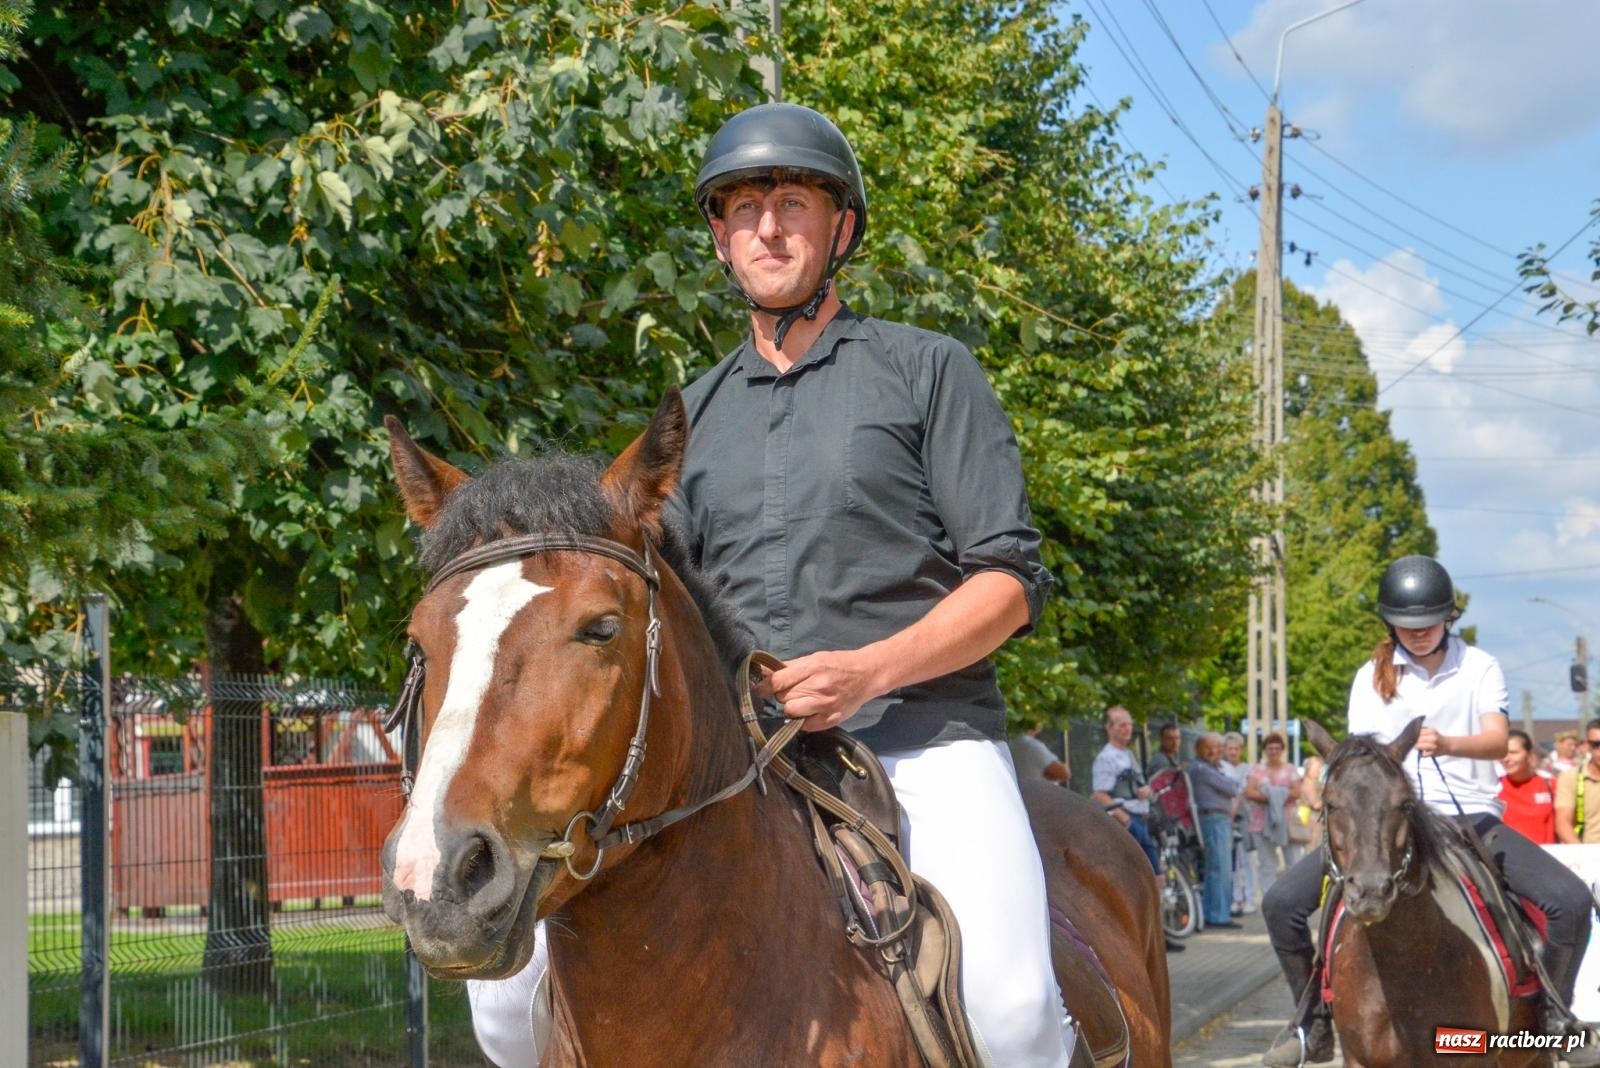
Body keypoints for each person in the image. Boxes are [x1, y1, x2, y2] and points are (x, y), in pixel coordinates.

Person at [1261, 556, 1600, 1066]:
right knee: (1281, 903)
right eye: (1406, 626)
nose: (1417, 634)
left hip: (1469, 818)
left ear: (1448, 618)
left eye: (1428, 624)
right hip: (1388, 819)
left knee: (1570, 901)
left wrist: (1449, 743)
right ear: (1389, 623)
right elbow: (1361, 759)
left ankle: (1555, 1017)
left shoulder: (1480, 666)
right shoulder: (1369, 677)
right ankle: (1312, 1018)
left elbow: (1495, 740)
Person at [1093, 706, 1185, 954]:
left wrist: (1145, 793)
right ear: (1109, 728)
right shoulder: (1107, 757)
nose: (1127, 728)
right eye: (1121, 724)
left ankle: (1156, 936)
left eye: (1129, 723)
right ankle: (1149, 939)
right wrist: (1124, 817)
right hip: (1129, 821)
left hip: (1140, 817)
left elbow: (1132, 787)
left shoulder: (1127, 755)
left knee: (1155, 880)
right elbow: (1099, 793)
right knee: (1149, 879)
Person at [1189, 732, 1241, 929]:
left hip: (1220, 819)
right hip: (1213, 819)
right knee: (1220, 868)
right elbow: (1232, 788)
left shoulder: (1212, 767)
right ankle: (1217, 915)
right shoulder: (1202, 768)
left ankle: (1217, 912)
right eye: (1210, 747)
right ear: (1200, 749)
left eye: (1219, 747)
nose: (1215, 751)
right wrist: (1231, 782)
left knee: (1220, 868)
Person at [1243, 732, 1304, 899]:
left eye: (1277, 748)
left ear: (1282, 750)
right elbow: (1249, 791)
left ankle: (1295, 898)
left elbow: (1297, 791)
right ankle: (1269, 898)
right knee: (1266, 864)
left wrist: (1273, 795)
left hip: (1288, 822)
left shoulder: (1290, 769)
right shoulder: (1257, 770)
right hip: (1261, 823)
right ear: (1265, 750)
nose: (1274, 752)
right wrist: (1274, 796)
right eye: (1270, 748)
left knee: (1294, 862)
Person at [1222, 731, 1257, 916]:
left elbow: (1242, 792)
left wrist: (1232, 812)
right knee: (1232, 863)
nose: (1232, 752)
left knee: (1246, 861)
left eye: (1236, 749)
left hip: (1243, 819)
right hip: (1226, 818)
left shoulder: (1247, 768)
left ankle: (1250, 898)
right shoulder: (1220, 767)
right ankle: (1236, 898)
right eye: (1229, 748)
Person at [1499, 728, 1554, 845]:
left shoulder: (1550, 785)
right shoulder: (1494, 788)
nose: (1506, 759)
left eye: (1513, 753)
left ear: (1529, 754)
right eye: (1503, 753)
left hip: (1546, 857)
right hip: (1509, 860)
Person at [1554, 719, 1600, 845]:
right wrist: (1582, 854)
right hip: (1589, 854)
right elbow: (1563, 821)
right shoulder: (1570, 777)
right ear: (1587, 745)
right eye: (1597, 745)